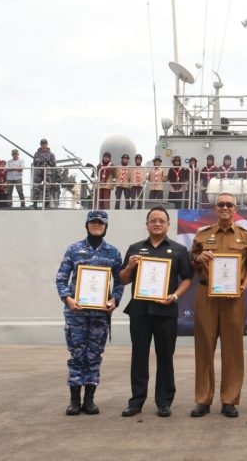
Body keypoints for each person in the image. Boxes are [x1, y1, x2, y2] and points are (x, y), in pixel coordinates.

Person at [118, 207, 194, 417]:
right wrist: (130, 267)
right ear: (147, 224)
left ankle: (164, 401)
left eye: (161, 220)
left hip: (166, 310)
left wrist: (175, 296)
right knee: (139, 355)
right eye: (153, 220)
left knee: (165, 357)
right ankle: (136, 401)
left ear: (168, 225)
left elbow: (188, 278)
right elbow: (123, 279)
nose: (157, 224)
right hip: (139, 311)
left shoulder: (178, 250)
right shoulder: (135, 248)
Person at [189, 193, 247, 418]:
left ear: (236, 208)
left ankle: (229, 400)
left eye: (229, 204)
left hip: (234, 297)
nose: (225, 208)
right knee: (204, 347)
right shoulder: (202, 235)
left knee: (233, 349)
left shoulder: (246, 236)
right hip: (206, 293)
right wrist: (199, 259)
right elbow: (192, 263)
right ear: (215, 208)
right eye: (221, 204)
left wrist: (245, 285)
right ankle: (203, 399)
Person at [54, 210, 123, 415]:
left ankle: (90, 400)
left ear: (105, 226)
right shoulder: (74, 249)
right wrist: (68, 299)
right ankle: (74, 400)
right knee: (77, 356)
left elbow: (119, 282)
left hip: (100, 314)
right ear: (87, 225)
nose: (96, 225)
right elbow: (61, 278)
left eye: (100, 223)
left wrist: (114, 300)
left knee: (94, 356)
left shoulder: (113, 252)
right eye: (93, 222)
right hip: (77, 312)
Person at [32, 139, 56, 209]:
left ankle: (46, 203)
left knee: (47, 187)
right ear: (40, 144)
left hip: (47, 171)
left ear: (47, 144)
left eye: (44, 144)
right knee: (36, 186)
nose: (43, 145)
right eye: (42, 144)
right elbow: (34, 163)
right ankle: (35, 203)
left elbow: (54, 165)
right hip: (38, 171)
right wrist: (40, 163)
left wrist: (48, 163)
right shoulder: (37, 153)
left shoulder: (51, 154)